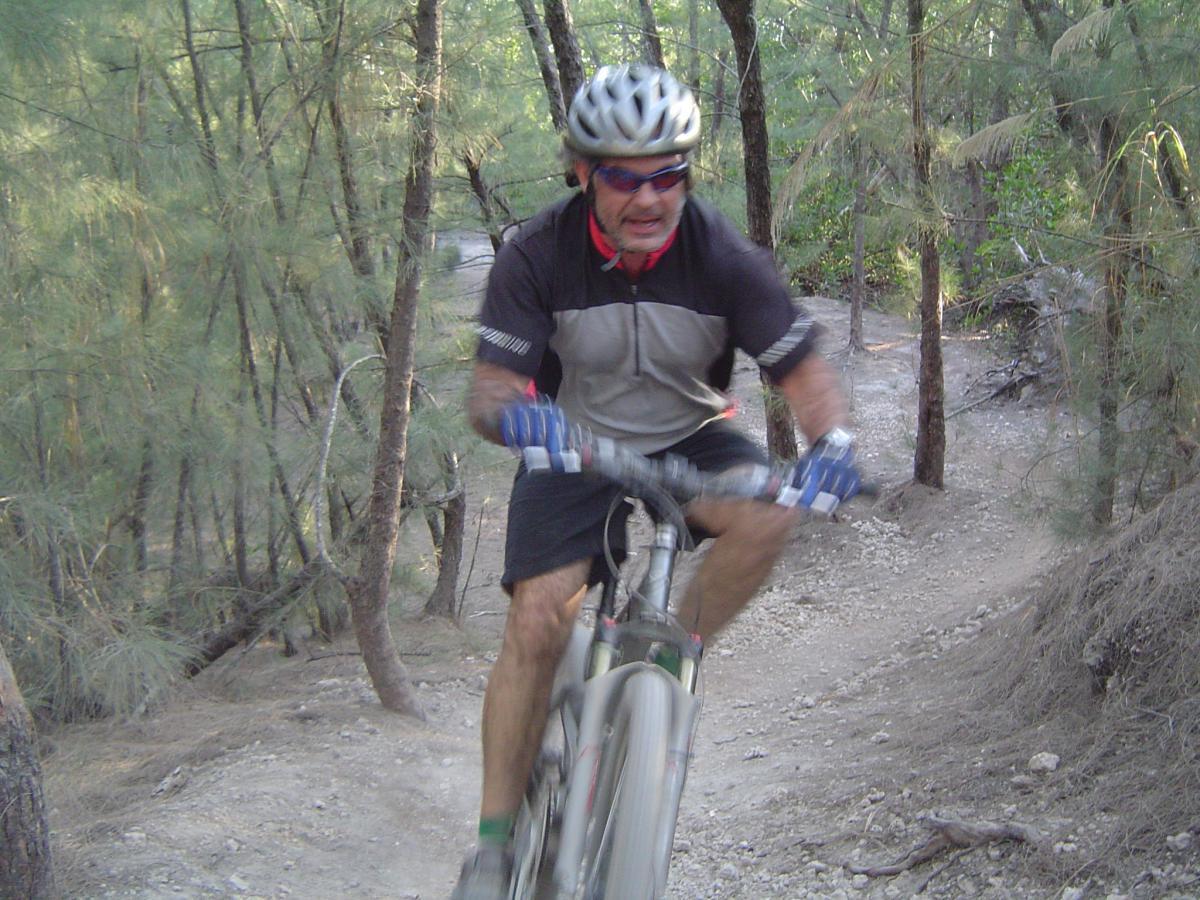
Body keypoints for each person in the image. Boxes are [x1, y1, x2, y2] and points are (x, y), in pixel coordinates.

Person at [452, 63, 860, 898]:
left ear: (688, 174)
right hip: (574, 442)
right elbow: (491, 389)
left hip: (694, 433)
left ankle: (672, 649)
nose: (648, 198)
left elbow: (805, 371)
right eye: (621, 178)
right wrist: (521, 416)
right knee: (537, 618)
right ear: (581, 173)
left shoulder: (723, 256)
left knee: (767, 514)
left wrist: (835, 445)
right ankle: (493, 846)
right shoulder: (535, 254)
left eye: (666, 175)